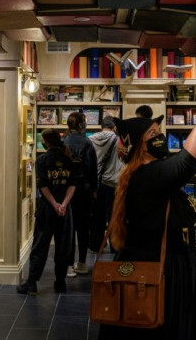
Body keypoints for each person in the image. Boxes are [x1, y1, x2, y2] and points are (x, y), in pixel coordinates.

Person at [97, 76, 196, 340]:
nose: (160, 138)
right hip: (161, 270)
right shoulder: (148, 175)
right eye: (153, 135)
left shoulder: (149, 172)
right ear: (138, 144)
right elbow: (192, 158)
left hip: (172, 266)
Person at [17, 129, 76, 295]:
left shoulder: (42, 160)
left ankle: (31, 284)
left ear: (46, 142)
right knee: (63, 246)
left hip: (47, 209)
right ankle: (60, 282)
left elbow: (43, 186)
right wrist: (63, 204)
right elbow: (72, 185)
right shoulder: (68, 159)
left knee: (40, 246)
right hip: (65, 210)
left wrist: (55, 204)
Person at [62, 111, 98, 276]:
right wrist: (94, 189)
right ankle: (82, 263)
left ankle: (68, 265)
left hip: (66, 191)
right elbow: (92, 169)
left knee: (68, 228)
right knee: (83, 228)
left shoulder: (63, 142)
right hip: (83, 190)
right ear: (81, 124)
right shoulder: (87, 143)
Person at [88, 116, 124, 252]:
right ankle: (114, 245)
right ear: (114, 127)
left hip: (96, 183)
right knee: (113, 215)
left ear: (101, 126)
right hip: (113, 183)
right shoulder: (118, 140)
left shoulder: (91, 139)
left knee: (97, 216)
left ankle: (96, 245)